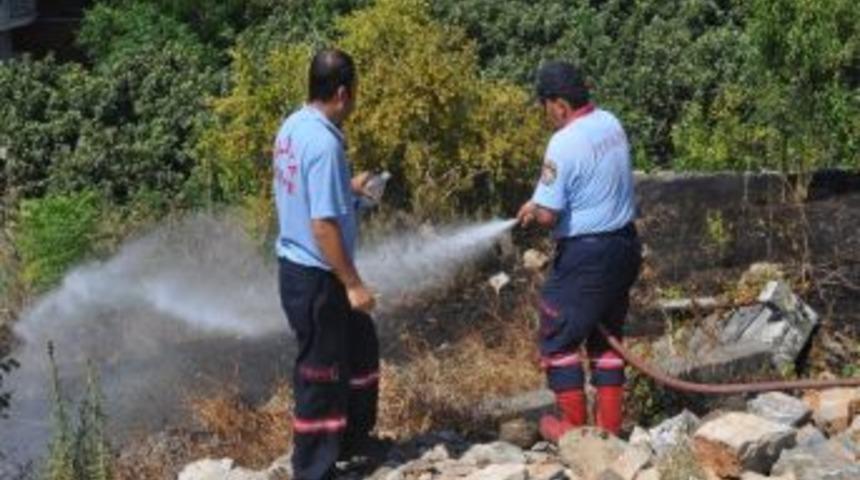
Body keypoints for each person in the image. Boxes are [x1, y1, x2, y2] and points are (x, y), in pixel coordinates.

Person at [516, 61, 642, 441]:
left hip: (587, 256)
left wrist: (534, 211)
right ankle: (610, 434)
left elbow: (550, 214)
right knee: (606, 341)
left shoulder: (563, 141)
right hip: (625, 248)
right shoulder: (610, 123)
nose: (546, 115)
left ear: (558, 104)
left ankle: (574, 433)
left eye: (545, 106)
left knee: (557, 339)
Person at [273, 49, 383, 480]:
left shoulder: (295, 125)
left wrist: (349, 188)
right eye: (353, 94)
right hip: (317, 276)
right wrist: (353, 283)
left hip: (308, 271)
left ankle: (353, 441)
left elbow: (308, 190)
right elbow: (322, 227)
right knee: (320, 373)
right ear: (342, 92)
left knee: (360, 348)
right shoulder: (322, 143)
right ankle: (313, 468)